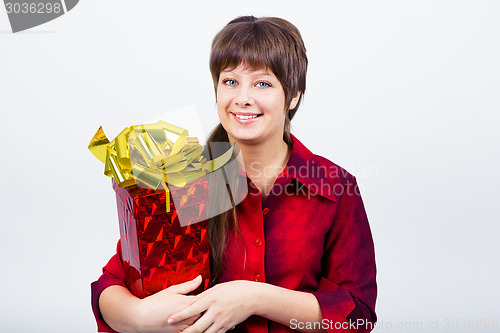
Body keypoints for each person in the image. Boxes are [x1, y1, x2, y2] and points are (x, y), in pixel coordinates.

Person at [91, 15, 377, 333]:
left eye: (262, 83)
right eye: (230, 81)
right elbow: (112, 285)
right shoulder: (181, 178)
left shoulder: (335, 187)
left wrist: (255, 298)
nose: (242, 98)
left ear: (293, 95)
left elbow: (358, 316)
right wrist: (137, 317)